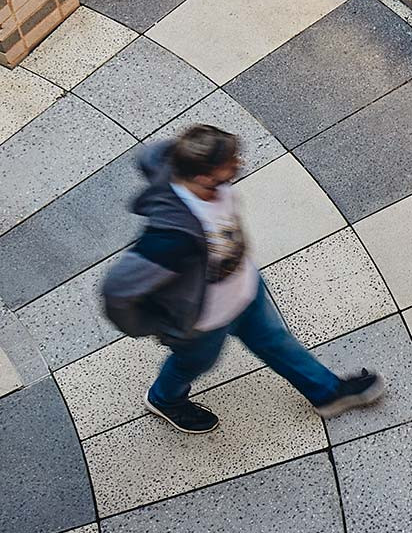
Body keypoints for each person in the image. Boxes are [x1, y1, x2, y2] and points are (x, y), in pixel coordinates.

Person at [102, 126, 386, 434]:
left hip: (246, 292)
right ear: (203, 176)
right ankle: (164, 399)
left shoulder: (200, 176)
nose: (239, 164)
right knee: (193, 365)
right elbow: (117, 291)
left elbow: (165, 152)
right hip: (203, 323)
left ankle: (326, 393)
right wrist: (159, 325)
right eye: (230, 162)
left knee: (277, 341)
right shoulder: (170, 238)